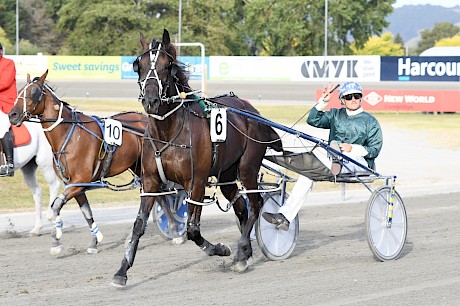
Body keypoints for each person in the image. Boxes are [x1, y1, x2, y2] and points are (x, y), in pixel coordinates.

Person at [263, 81, 383, 230]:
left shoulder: (370, 121)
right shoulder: (335, 114)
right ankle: (285, 217)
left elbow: (374, 149)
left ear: (361, 98)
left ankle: (333, 159)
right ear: (342, 100)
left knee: (335, 157)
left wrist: (351, 148)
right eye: (349, 96)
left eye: (356, 96)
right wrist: (324, 101)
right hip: (331, 161)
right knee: (306, 176)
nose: (353, 99)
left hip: (360, 163)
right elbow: (313, 120)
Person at [0, 42, 17, 176]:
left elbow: (4, 83)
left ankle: (9, 164)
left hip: (5, 102)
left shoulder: (8, 63)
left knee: (2, 125)